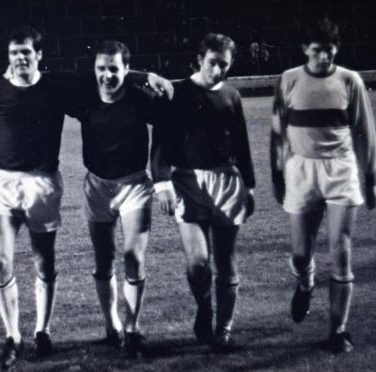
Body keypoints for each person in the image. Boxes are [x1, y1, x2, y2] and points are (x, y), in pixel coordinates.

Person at [0, 26, 172, 370]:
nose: (20, 58)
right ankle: (12, 337)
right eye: (15, 53)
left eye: (27, 52)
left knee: (45, 262)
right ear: (8, 57)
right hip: (1, 183)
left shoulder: (56, 87)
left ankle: (44, 330)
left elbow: (111, 74)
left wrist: (144, 74)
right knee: (0, 261)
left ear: (39, 56)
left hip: (44, 183)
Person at [270, 18, 376, 353]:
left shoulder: (350, 80)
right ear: (306, 50)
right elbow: (277, 134)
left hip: (340, 170)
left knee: (340, 250)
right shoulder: (288, 80)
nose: (324, 58)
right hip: (302, 169)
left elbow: (365, 133)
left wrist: (370, 178)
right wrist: (277, 175)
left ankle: (338, 330)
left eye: (329, 51)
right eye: (317, 51)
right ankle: (305, 281)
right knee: (301, 253)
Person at [152, 33, 255, 352]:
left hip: (226, 182)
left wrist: (249, 186)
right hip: (187, 182)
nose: (218, 69)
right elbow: (160, 142)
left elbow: (241, 145)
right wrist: (162, 181)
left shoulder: (231, 96)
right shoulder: (176, 91)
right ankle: (204, 308)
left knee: (225, 260)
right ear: (200, 59)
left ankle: (223, 328)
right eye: (213, 62)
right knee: (198, 262)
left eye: (224, 64)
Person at [72, 40, 165, 358]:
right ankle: (111, 324)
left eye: (114, 68)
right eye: (101, 68)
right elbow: (53, 84)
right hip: (97, 186)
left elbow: (171, 115)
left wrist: (146, 76)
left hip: (134, 186)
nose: (107, 75)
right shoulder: (85, 98)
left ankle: (133, 328)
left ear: (126, 70)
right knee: (103, 259)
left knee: (134, 258)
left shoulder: (140, 100)